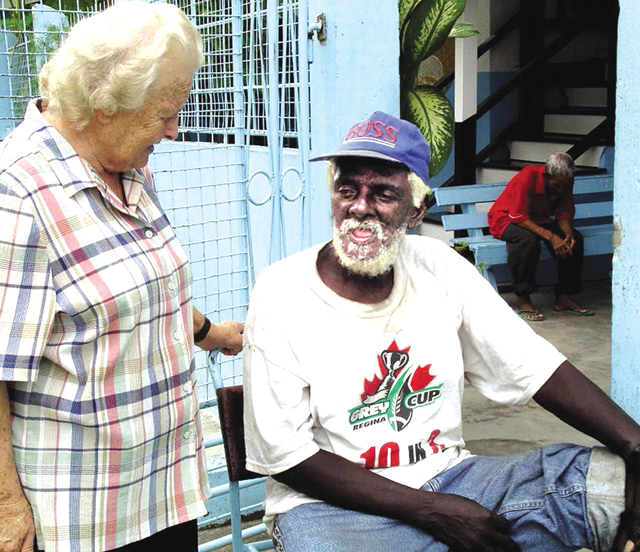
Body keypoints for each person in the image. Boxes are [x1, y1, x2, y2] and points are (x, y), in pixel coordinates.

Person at [242, 111, 640, 552]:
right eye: (347, 190)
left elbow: (537, 368)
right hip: (331, 507)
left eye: (383, 194)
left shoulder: (441, 267)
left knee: (610, 486)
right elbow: (285, 458)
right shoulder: (281, 291)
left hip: (453, 478)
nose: (359, 207)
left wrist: (636, 446)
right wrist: (433, 512)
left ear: (416, 210)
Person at [0, 4, 243, 552]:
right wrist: (4, 506)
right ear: (105, 104)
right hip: (85, 512)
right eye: (164, 113)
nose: (174, 130)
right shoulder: (18, 194)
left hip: (163, 486)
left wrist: (212, 335)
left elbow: (143, 289)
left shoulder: (127, 168)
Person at [487, 153, 594, 322]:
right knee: (528, 241)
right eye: (556, 185)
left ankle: (563, 296)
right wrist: (551, 236)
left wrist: (567, 234)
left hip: (538, 219)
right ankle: (523, 298)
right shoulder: (528, 176)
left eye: (563, 187)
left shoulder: (565, 180)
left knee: (575, 240)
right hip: (506, 220)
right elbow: (518, 216)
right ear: (545, 176)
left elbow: (564, 212)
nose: (560, 190)